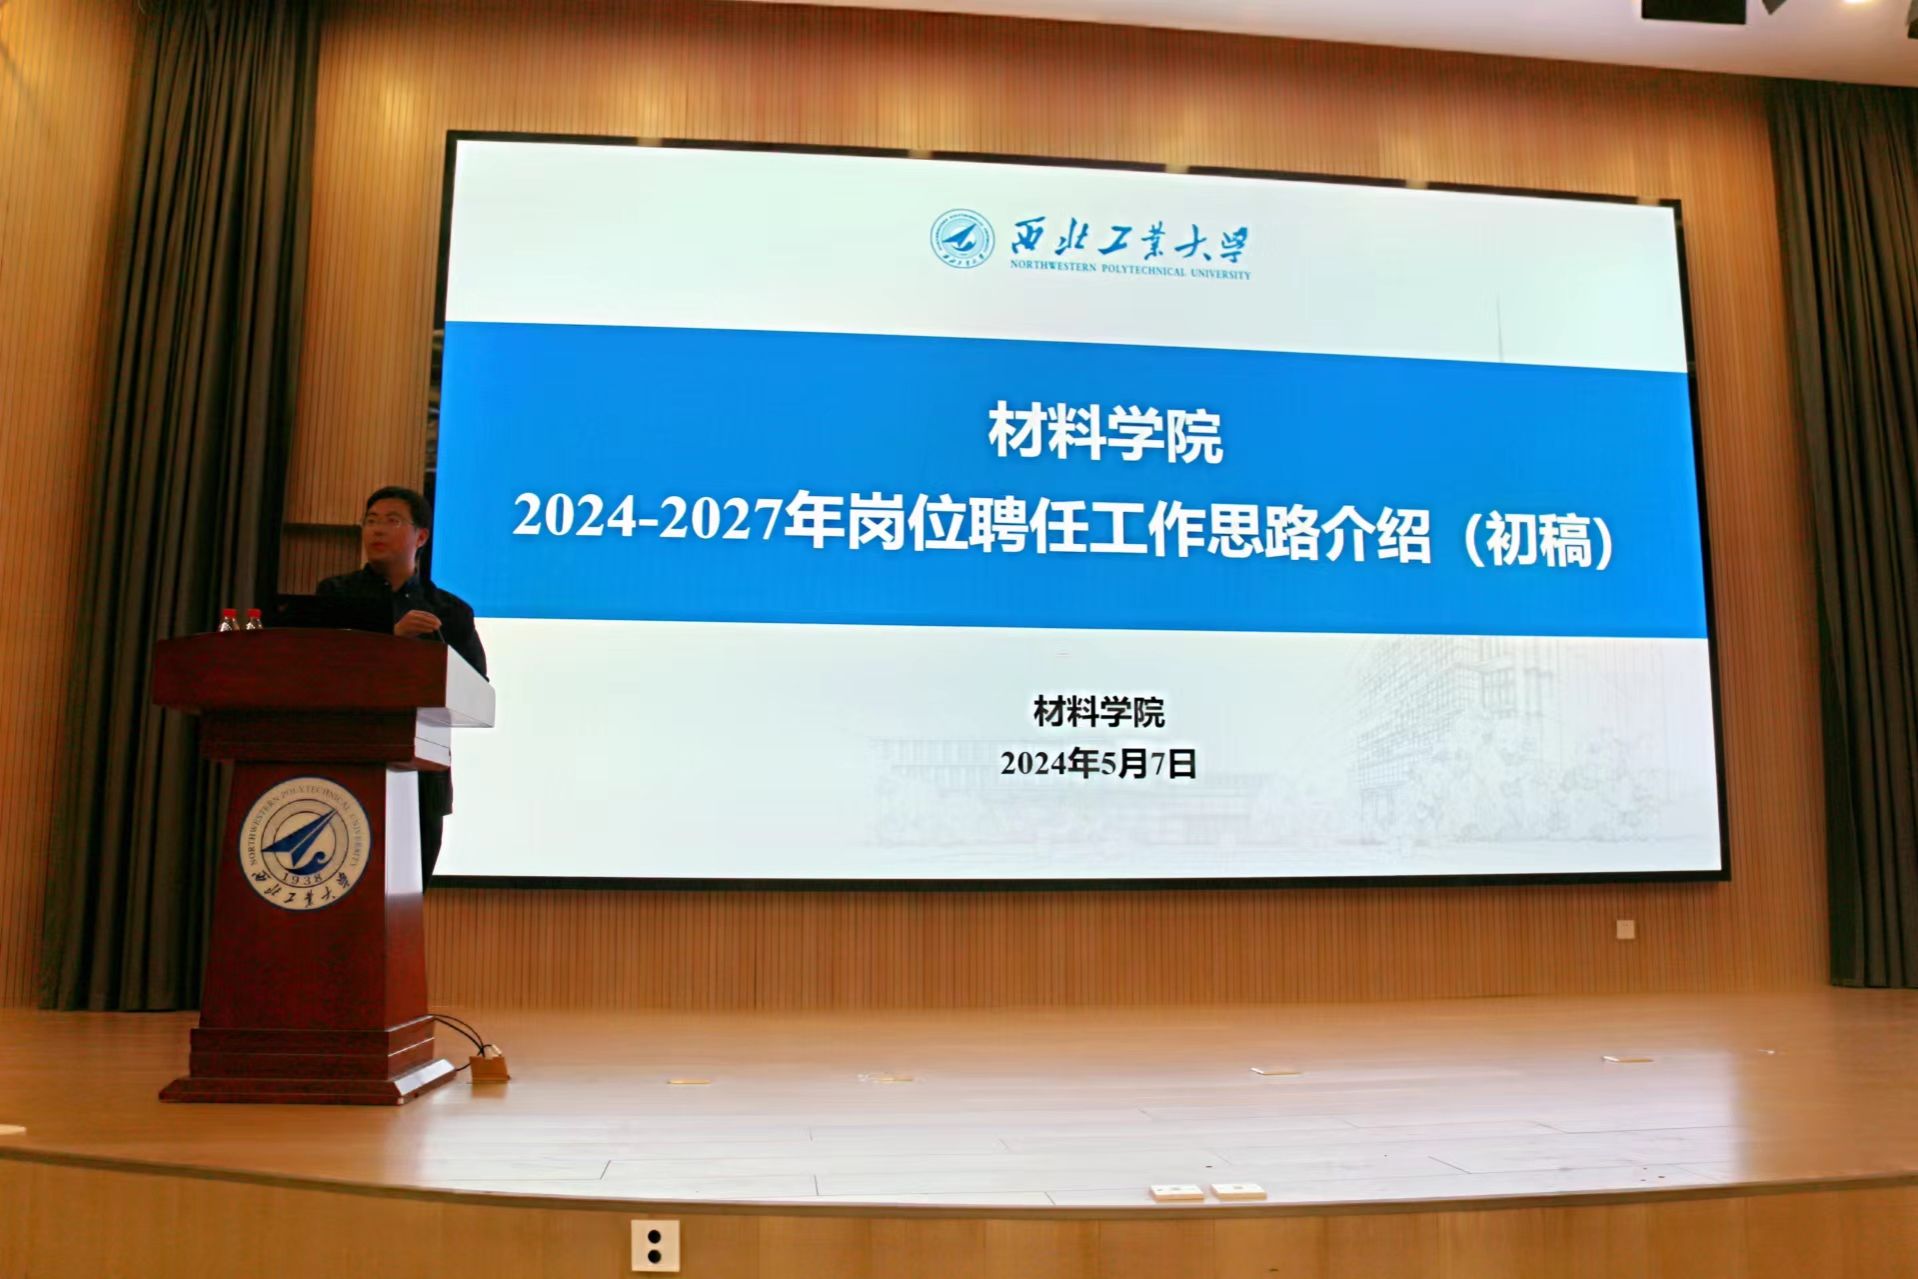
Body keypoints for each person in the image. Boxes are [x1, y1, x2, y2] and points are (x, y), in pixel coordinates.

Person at [316, 486, 487, 881]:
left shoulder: (449, 611)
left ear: (421, 536)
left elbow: (477, 690)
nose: (376, 530)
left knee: (408, 897)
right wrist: (392, 639)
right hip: (345, 766)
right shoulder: (335, 596)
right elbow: (320, 671)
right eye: (370, 521)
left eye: (391, 521)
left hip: (422, 779)